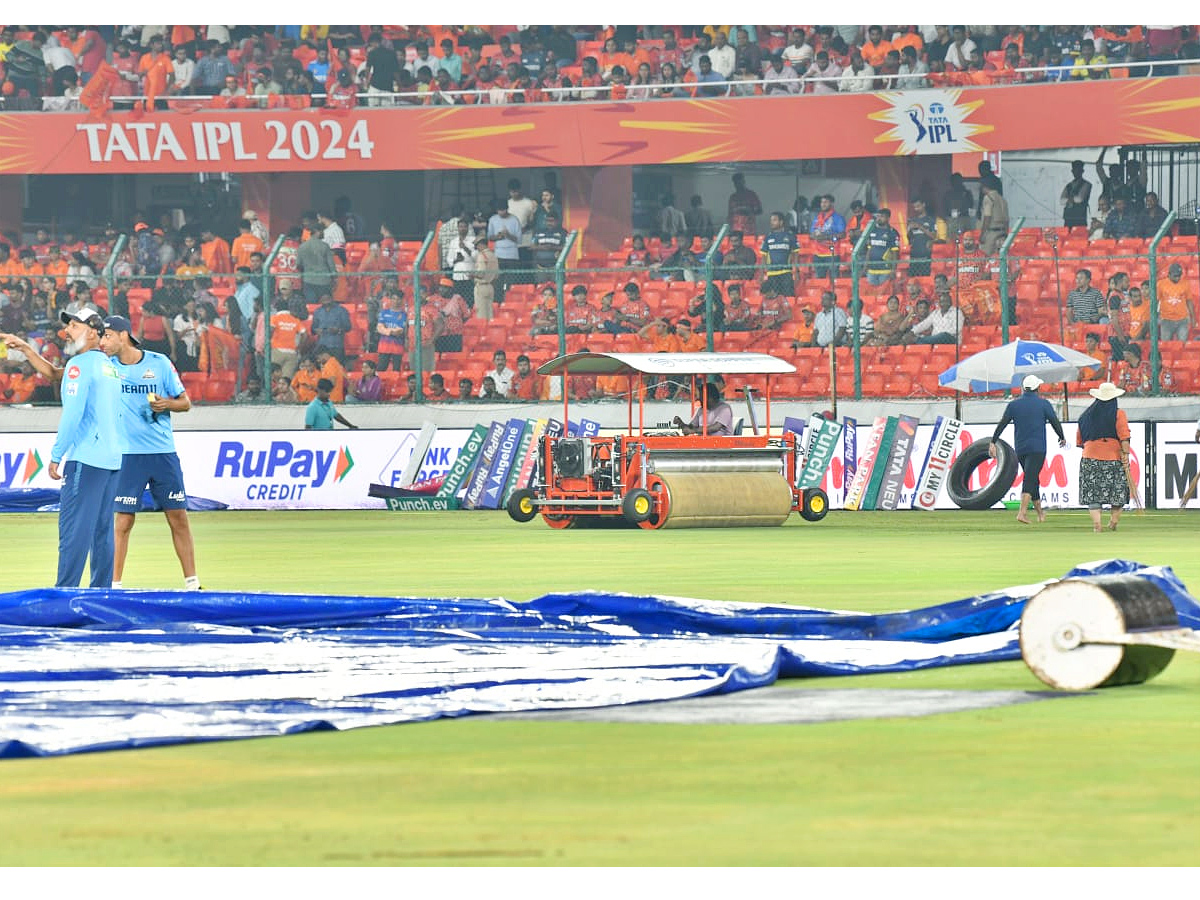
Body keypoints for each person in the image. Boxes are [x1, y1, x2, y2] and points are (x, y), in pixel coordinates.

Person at [99, 315, 201, 590]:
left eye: (107, 336)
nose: (103, 342)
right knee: (122, 521)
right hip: (127, 455)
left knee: (178, 517)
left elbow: (186, 403)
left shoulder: (159, 363)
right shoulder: (106, 368)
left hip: (162, 453)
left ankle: (193, 584)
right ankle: (114, 586)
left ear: (123, 335)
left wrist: (167, 403)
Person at [49, 306, 122, 588]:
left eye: (75, 326)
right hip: (112, 458)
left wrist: (57, 455)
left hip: (87, 459)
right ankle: (101, 597)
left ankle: (64, 595)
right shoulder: (110, 367)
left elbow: (72, 415)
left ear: (93, 332)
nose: (68, 331)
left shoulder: (78, 366)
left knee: (74, 532)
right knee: (101, 533)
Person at [989, 374, 1067, 525]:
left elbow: (1003, 423)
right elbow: (1054, 421)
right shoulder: (1043, 404)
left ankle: (1040, 513)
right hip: (1038, 447)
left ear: (1023, 388)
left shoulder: (1014, 405)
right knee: (1030, 478)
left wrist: (993, 441)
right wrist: (1061, 436)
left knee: (1032, 478)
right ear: (1037, 388)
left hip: (1021, 448)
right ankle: (1022, 513)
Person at [1076, 381, 1131, 532]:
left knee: (1093, 494)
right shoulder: (1118, 414)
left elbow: (1080, 441)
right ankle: (1113, 522)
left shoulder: (1085, 416)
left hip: (1090, 456)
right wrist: (1125, 455)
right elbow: (1124, 437)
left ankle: (1097, 524)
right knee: (1117, 492)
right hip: (1113, 456)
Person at [1061, 160, 1092, 229]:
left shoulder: (1086, 184)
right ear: (1072, 171)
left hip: (1079, 217)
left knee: (1080, 235)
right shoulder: (1068, 185)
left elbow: (1080, 199)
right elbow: (1061, 200)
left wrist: (1068, 199)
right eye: (1074, 170)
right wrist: (1072, 199)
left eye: (1078, 170)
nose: (1076, 172)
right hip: (1068, 218)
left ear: (1082, 171)